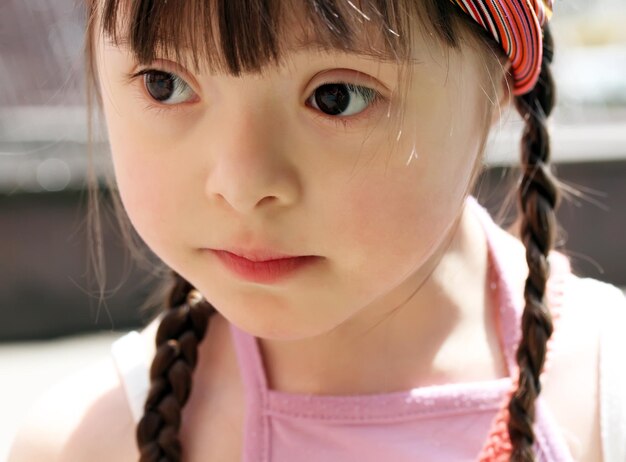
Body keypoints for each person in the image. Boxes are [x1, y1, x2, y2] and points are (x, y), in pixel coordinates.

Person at [8, 0, 626, 461]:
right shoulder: (84, 443)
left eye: (336, 97)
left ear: (495, 89)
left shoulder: (606, 395)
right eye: (165, 84)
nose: (242, 182)